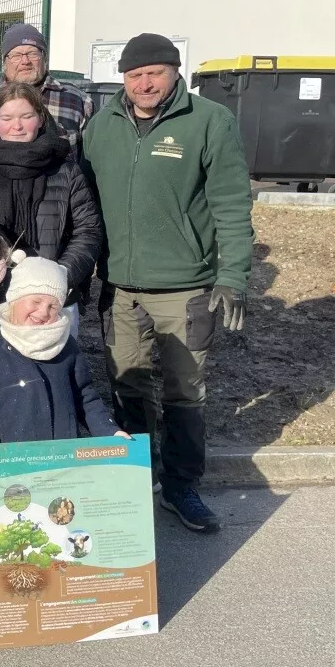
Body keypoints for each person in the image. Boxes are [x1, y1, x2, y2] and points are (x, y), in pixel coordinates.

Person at [81, 33, 253, 534]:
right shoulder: (101, 126)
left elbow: (231, 205)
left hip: (186, 286)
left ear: (175, 70)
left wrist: (233, 276)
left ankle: (181, 486)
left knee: (183, 389)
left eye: (154, 72)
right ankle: (137, 483)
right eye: (134, 75)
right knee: (126, 383)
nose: (144, 83)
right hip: (120, 286)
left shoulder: (208, 122)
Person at [0, 82, 102, 330]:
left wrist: (60, 274)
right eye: (6, 117)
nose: (16, 126)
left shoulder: (65, 171)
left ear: (41, 119)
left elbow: (88, 231)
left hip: (52, 300)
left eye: (26, 116)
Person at [0, 257, 126, 446]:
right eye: (36, 301)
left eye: (53, 306)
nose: (43, 312)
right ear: (14, 299)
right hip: (8, 453)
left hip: (61, 451)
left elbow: (85, 395)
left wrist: (109, 430)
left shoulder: (65, 345)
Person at [0, 23, 94, 154]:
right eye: (16, 55)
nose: (25, 61)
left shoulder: (78, 100)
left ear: (44, 58)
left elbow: (91, 157)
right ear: (4, 62)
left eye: (32, 54)